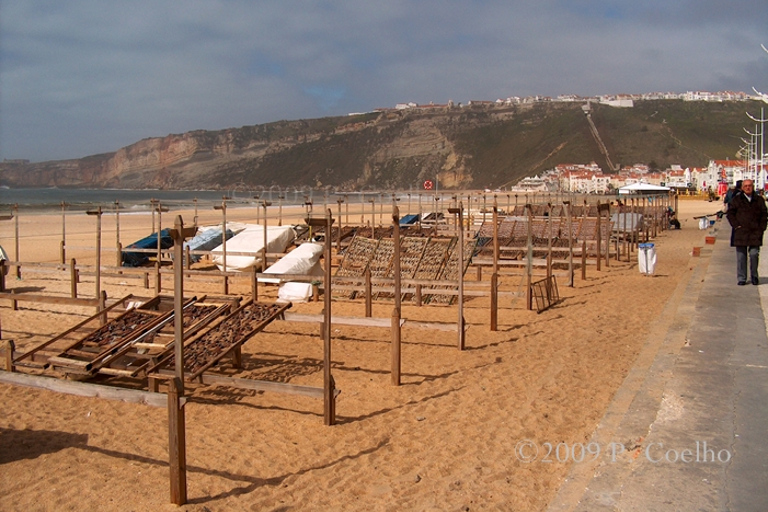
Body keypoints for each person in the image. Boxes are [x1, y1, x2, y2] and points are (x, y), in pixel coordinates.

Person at [726, 179, 768, 285]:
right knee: (741, 256)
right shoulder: (737, 200)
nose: (748, 188)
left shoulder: (759, 200)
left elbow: (764, 214)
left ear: (753, 187)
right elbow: (730, 213)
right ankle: (742, 278)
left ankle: (754, 276)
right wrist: (736, 226)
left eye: (750, 186)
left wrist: (762, 227)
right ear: (742, 188)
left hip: (755, 232)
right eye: (746, 186)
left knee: (754, 255)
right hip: (741, 232)